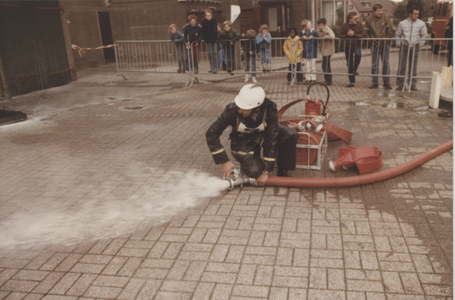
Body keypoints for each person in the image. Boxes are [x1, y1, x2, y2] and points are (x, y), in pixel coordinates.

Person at [206, 84, 299, 183]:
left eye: (244, 108)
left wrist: (266, 171)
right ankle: (249, 161)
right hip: (243, 139)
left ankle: (283, 169)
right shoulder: (232, 111)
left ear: (256, 108)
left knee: (290, 134)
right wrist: (224, 161)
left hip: (264, 133)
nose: (240, 110)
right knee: (254, 172)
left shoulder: (269, 109)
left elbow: (272, 138)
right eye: (239, 106)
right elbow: (211, 134)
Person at [395, 6, 427, 91]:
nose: (417, 15)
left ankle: (412, 84)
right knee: (402, 65)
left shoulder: (421, 23)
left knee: (413, 66)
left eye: (418, 14)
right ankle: (400, 83)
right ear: (410, 14)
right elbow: (397, 34)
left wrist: (420, 44)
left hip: (414, 47)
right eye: (415, 14)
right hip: (404, 47)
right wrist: (399, 44)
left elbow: (424, 35)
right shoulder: (402, 23)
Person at [365, 3, 394, 89]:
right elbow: (366, 31)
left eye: (381, 10)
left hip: (385, 44)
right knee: (375, 64)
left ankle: (386, 81)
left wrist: (387, 38)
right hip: (375, 44)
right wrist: (371, 40)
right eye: (378, 11)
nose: (380, 12)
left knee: (386, 63)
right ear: (374, 11)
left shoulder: (385, 17)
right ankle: (374, 82)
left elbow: (390, 29)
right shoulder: (369, 19)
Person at [339, 11, 366, 87]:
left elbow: (363, 34)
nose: (357, 20)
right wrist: (347, 35)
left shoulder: (359, 24)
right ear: (350, 19)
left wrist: (354, 34)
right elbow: (340, 34)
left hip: (357, 44)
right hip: (348, 45)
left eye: (357, 18)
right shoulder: (345, 25)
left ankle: (355, 69)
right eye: (355, 19)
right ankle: (352, 82)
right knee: (349, 62)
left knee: (358, 55)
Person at [317, 18, 335, 85]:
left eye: (322, 25)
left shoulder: (328, 30)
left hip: (328, 48)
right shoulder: (318, 31)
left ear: (324, 25)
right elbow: (319, 39)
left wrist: (326, 37)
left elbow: (332, 36)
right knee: (325, 64)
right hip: (323, 48)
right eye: (319, 25)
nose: (320, 27)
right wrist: (319, 45)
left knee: (325, 64)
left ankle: (329, 80)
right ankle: (327, 79)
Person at [201, 9, 218, 74]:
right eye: (207, 15)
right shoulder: (204, 21)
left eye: (210, 15)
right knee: (210, 54)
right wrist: (205, 38)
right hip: (208, 40)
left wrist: (215, 38)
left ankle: (215, 67)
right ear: (205, 16)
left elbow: (215, 29)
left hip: (214, 39)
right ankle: (211, 67)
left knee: (214, 54)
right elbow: (203, 30)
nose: (209, 17)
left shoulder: (214, 20)